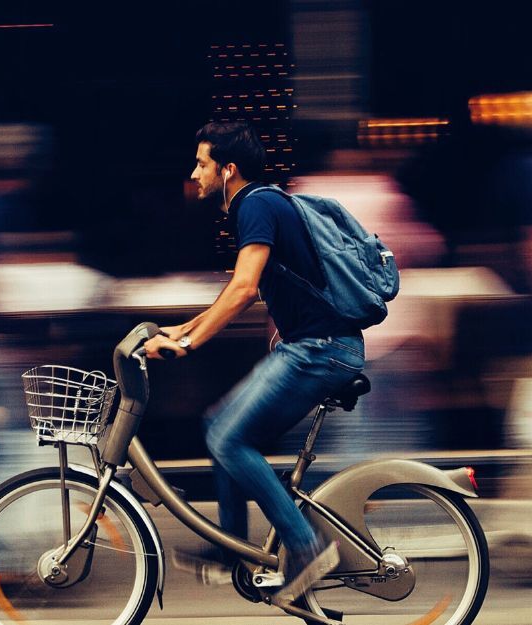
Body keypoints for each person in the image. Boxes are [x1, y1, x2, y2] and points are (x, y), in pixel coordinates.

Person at [143, 122, 365, 603]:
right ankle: (233, 550)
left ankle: (307, 547)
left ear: (228, 169)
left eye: (202, 163)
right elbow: (241, 292)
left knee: (227, 437)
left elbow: (243, 289)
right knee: (218, 422)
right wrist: (184, 329)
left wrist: (189, 345)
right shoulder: (260, 203)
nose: (194, 172)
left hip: (320, 349)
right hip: (310, 347)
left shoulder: (257, 204)